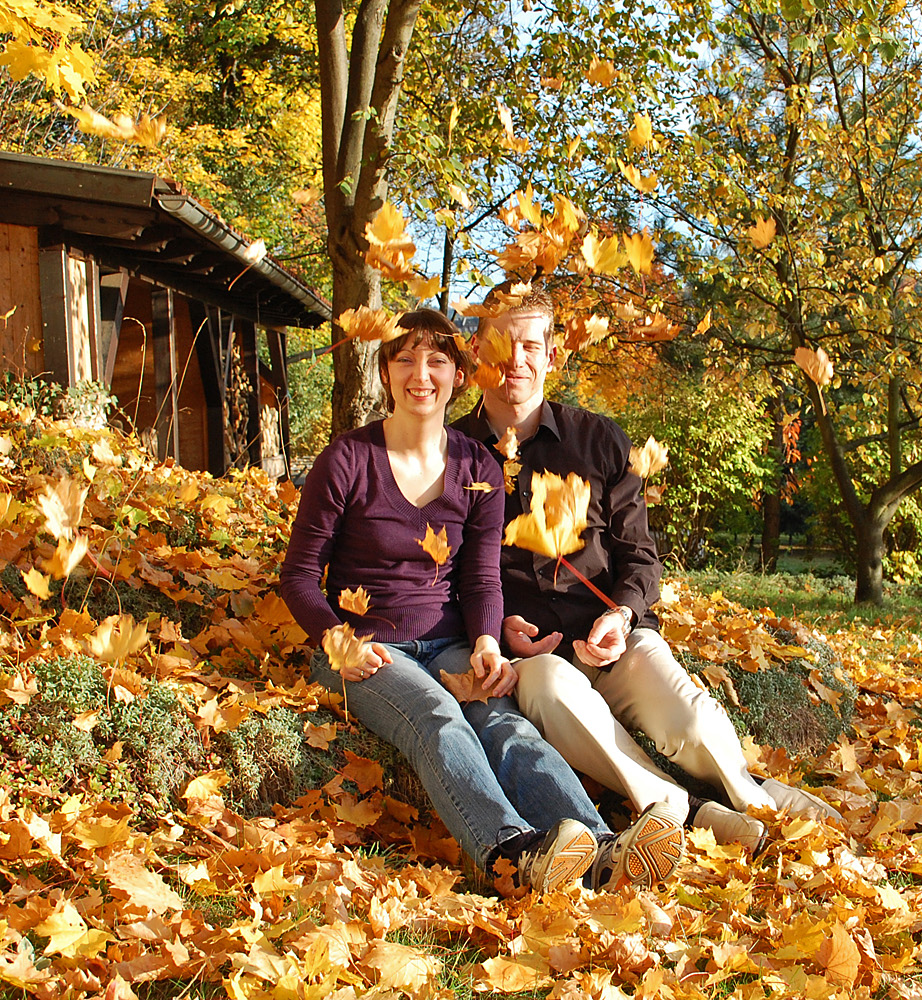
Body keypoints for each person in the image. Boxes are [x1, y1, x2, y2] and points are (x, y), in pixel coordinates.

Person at [280, 308, 684, 893]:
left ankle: (601, 850)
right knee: (438, 716)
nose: (422, 374)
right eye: (406, 360)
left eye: (437, 360)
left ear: (459, 375)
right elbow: (297, 576)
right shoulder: (346, 460)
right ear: (385, 371)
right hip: (366, 649)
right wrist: (336, 639)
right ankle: (511, 856)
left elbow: (480, 579)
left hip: (451, 641)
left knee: (505, 722)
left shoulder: (478, 467)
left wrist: (489, 643)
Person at [453, 289, 842, 850]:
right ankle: (681, 810)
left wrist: (622, 614)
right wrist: (495, 624)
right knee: (554, 691)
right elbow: (447, 572)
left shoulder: (599, 442)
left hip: (616, 639)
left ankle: (754, 798)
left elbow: (640, 556)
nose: (516, 359)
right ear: (474, 349)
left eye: (531, 344)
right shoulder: (455, 451)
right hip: (534, 659)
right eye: (500, 342)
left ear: (553, 355)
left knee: (694, 723)